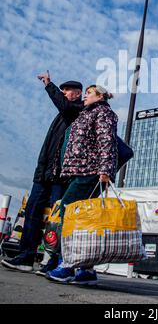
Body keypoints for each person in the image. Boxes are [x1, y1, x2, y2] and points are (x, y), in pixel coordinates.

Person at [1, 73, 83, 272]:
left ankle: (51, 261)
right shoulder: (62, 114)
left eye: (66, 90)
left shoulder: (76, 110)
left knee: (57, 219)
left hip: (60, 176)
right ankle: (25, 258)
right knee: (31, 213)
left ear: (78, 94)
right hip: (44, 174)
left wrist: (49, 84)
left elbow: (63, 105)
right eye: (61, 90)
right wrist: (39, 170)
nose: (63, 93)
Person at [46, 84, 118, 285]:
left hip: (90, 173)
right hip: (81, 172)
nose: (85, 97)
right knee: (84, 221)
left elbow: (107, 141)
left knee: (67, 215)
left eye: (89, 93)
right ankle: (86, 270)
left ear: (100, 96)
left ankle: (67, 265)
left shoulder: (103, 112)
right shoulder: (88, 113)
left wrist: (105, 170)